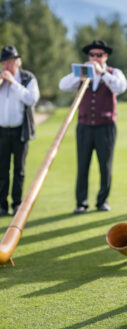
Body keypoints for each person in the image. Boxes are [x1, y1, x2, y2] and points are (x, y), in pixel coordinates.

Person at [59, 40, 127, 214]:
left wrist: (102, 72)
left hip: (106, 127)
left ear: (105, 56)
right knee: (83, 165)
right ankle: (81, 202)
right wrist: (80, 72)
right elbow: (63, 85)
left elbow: (120, 87)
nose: (95, 58)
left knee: (105, 165)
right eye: (92, 55)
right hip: (84, 126)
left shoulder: (113, 72)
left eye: (99, 55)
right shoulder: (82, 73)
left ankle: (102, 201)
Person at [0, 45, 40, 217]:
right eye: (4, 63)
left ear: (17, 62)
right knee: (2, 170)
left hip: (20, 132)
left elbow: (31, 99)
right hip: (2, 131)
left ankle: (17, 204)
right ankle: (2, 205)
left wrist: (13, 83)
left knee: (19, 170)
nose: (6, 66)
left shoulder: (27, 78)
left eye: (10, 62)